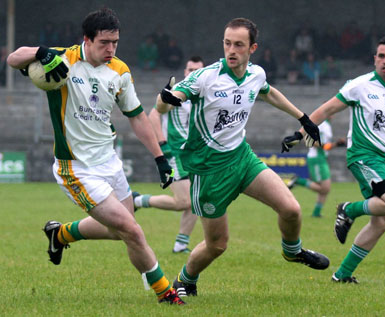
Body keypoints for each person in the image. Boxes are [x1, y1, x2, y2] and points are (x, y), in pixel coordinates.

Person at [7, 7, 184, 305]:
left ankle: (61, 234)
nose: (111, 49)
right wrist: (41, 52)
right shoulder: (62, 59)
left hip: (109, 162)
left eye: (115, 42)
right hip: (76, 168)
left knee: (120, 232)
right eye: (104, 42)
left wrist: (159, 158)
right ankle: (166, 292)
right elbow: (14, 59)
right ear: (86, 40)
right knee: (132, 230)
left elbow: (137, 117)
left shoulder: (120, 71)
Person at [156, 17, 329, 297]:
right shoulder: (206, 77)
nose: (231, 50)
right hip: (209, 171)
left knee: (292, 209)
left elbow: (268, 92)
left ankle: (292, 251)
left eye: (239, 45)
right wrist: (166, 98)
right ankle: (185, 280)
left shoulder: (256, 74)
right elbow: (165, 102)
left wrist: (303, 117)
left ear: (253, 48)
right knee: (217, 245)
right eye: (227, 43)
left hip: (242, 159)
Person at [284, 35, 385, 283]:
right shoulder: (360, 85)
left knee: (383, 220)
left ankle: (342, 275)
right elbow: (326, 109)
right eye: (381, 56)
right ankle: (349, 209)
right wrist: (299, 133)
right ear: (374, 59)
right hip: (362, 156)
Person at [133, 56, 205, 253]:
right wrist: (162, 144)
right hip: (175, 154)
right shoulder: (178, 92)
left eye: (197, 70)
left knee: (197, 199)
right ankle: (138, 201)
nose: (193, 73)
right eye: (190, 69)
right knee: (184, 201)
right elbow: (155, 114)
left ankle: (181, 244)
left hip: (194, 155)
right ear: (184, 71)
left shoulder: (204, 93)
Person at [287, 118, 346, 217]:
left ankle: (316, 213)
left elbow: (325, 145)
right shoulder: (321, 124)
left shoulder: (326, 125)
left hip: (321, 158)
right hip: (317, 158)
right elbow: (313, 142)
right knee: (325, 188)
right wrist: (334, 144)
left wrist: (336, 144)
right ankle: (299, 181)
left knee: (324, 189)